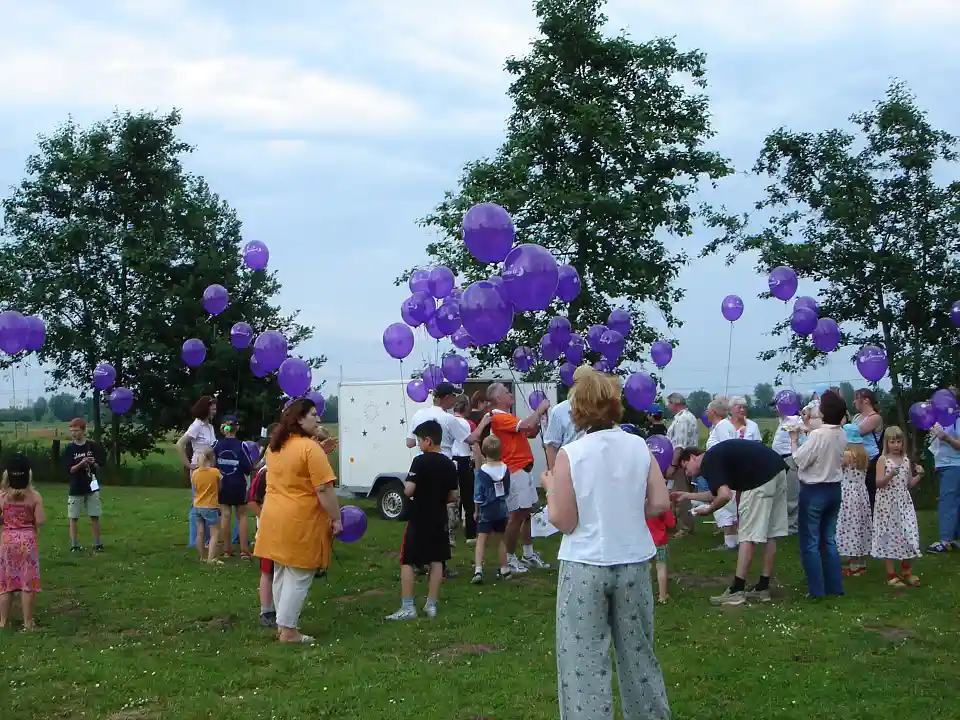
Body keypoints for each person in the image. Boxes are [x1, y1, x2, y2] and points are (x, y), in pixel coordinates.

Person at [542, 368, 671, 719]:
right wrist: (629, 508)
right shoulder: (638, 446)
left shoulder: (572, 453)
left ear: (577, 408)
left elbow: (564, 521)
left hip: (584, 565)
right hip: (633, 563)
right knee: (640, 657)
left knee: (583, 665)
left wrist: (551, 486)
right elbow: (660, 503)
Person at [255, 399, 341, 644]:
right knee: (300, 573)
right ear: (299, 419)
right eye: (313, 415)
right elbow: (324, 489)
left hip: (272, 516)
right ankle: (289, 630)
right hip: (300, 519)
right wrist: (336, 518)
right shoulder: (308, 448)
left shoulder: (275, 445)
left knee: (281, 570)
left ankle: (283, 626)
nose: (318, 419)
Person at [675, 438, 788, 605]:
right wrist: (687, 495)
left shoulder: (708, 461)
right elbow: (719, 492)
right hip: (777, 470)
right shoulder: (717, 456)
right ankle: (762, 588)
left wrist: (709, 509)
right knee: (771, 533)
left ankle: (737, 590)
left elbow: (725, 496)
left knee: (747, 536)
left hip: (758, 479)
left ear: (693, 457)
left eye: (685, 467)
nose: (687, 473)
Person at [469, 383, 551, 574]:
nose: (510, 394)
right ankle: (510, 557)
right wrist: (538, 410)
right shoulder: (498, 416)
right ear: (498, 399)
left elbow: (529, 431)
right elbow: (528, 425)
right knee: (516, 515)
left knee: (527, 512)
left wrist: (538, 419)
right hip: (515, 470)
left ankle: (528, 553)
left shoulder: (507, 417)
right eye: (506, 393)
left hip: (523, 469)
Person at [386, 420, 459, 620]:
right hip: (439, 516)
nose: (418, 444)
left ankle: (408, 606)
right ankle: (431, 604)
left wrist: (407, 490)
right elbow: (453, 495)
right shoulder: (448, 464)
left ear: (428, 440)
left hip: (419, 516)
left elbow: (409, 489)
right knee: (437, 560)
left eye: (419, 440)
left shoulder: (419, 461)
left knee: (407, 560)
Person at [790, 390, 848, 599]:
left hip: (814, 490)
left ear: (824, 411)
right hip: (834, 488)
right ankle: (835, 586)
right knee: (829, 540)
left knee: (810, 541)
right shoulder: (841, 432)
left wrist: (794, 440)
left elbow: (800, 460)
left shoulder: (818, 435)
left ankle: (816, 590)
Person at [872, 426, 923, 587]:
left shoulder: (906, 460)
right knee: (888, 535)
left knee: (907, 533)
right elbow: (878, 483)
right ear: (887, 443)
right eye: (892, 441)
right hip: (887, 504)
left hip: (903, 502)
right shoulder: (883, 460)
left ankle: (906, 570)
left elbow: (908, 484)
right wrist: (890, 475)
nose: (896, 445)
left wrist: (919, 475)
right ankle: (891, 574)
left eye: (899, 441)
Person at [0, 453, 45, 631]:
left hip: (7, 541)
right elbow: (40, 520)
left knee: (5, 583)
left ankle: (2, 622)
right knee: (28, 583)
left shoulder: (2, 496)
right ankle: (28, 623)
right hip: (28, 541)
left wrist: (7, 519)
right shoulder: (34, 496)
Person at [177, 396, 218, 548]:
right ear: (205, 408)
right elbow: (180, 444)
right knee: (198, 503)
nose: (215, 410)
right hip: (198, 468)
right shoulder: (197, 426)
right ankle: (195, 540)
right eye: (212, 407)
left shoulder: (210, 427)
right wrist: (188, 465)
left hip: (210, 468)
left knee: (207, 503)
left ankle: (205, 539)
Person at [470, 435, 512, 585]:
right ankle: (505, 568)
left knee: (481, 539)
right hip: (501, 509)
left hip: (486, 510)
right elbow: (507, 490)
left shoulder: (482, 472)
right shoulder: (506, 469)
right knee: (500, 539)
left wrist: (476, 511)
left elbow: (478, 495)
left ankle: (478, 570)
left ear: (484, 451)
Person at [61, 418, 106, 552]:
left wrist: (92, 463)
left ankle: (97, 543)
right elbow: (70, 469)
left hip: (92, 486)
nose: (74, 433)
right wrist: (81, 463)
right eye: (72, 431)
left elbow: (100, 465)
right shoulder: (70, 448)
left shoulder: (92, 446)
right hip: (76, 487)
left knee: (94, 515)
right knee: (73, 517)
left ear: (84, 430)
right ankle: (75, 545)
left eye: (76, 430)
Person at [213, 415, 254, 559]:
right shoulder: (242, 445)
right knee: (242, 516)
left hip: (222, 484)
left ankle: (226, 550)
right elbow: (248, 466)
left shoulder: (216, 444)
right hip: (238, 485)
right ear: (237, 429)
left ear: (223, 429)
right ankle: (244, 550)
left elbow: (212, 463)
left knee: (225, 515)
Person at [704, 396, 739, 551]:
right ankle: (732, 539)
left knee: (726, 505)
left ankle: (730, 541)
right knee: (729, 505)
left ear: (712, 411)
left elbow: (727, 447)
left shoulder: (723, 426)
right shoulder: (721, 426)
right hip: (725, 470)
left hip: (724, 471)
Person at [927, 392, 960, 553]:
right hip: (947, 465)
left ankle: (945, 540)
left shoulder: (957, 419)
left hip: (955, 465)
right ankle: (954, 538)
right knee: (954, 502)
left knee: (947, 503)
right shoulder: (945, 419)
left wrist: (945, 438)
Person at [837, 424, 872, 576]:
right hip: (861, 493)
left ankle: (853, 566)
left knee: (850, 526)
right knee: (861, 525)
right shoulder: (864, 454)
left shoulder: (847, 455)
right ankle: (862, 563)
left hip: (847, 494)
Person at [665, 392, 699, 538]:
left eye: (670, 403)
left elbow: (679, 444)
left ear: (675, 403)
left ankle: (686, 527)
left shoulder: (682, 420)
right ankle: (674, 523)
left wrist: (673, 464)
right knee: (675, 493)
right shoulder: (688, 417)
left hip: (681, 461)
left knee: (681, 494)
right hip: (686, 460)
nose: (669, 407)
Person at [543, 366, 590, 471]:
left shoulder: (600, 410)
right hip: (569, 470)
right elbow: (551, 446)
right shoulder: (560, 411)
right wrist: (554, 477)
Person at [247, 461, 275, 628]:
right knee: (268, 572)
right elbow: (252, 501)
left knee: (284, 571)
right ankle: (266, 611)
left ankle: (281, 608)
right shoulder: (265, 472)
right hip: (268, 533)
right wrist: (267, 522)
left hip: (286, 532)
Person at [770, 402, 803, 534]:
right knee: (783, 491)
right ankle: (785, 524)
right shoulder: (782, 420)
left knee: (792, 493)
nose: (775, 410)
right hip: (780, 459)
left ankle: (793, 526)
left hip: (790, 458)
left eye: (777, 407)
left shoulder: (795, 419)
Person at [452, 395, 477, 545]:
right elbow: (474, 443)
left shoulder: (448, 421)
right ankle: (470, 533)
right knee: (468, 498)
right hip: (465, 460)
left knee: (452, 497)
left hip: (451, 460)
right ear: (466, 407)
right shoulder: (469, 424)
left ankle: (450, 529)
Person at [192, 448, 223, 565]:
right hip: (210, 505)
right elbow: (220, 487)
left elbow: (195, 488)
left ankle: (202, 557)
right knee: (214, 533)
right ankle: (210, 558)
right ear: (212, 459)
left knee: (200, 532)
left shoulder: (195, 473)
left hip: (197, 505)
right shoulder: (215, 472)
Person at [853, 388, 884, 509]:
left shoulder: (875, 418)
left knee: (871, 495)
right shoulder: (856, 417)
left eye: (856, 398)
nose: (854, 402)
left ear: (866, 400)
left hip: (872, 460)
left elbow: (857, 432)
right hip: (858, 460)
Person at [647, 507, 676, 604]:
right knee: (661, 567)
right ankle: (662, 596)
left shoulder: (640, 504)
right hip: (660, 541)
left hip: (645, 541)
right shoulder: (661, 506)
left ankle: (645, 594)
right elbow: (671, 524)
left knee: (647, 567)